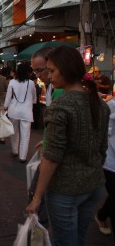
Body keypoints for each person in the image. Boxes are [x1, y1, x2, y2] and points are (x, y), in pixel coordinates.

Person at [25, 46, 110, 246]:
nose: (49, 76)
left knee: (66, 241)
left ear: (66, 69)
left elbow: (52, 156)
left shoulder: (61, 106)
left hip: (66, 189)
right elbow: (102, 148)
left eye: (52, 71)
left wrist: (37, 197)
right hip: (93, 185)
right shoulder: (100, 103)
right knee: (79, 238)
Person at [29, 46, 65, 227]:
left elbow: (60, 136)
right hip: (51, 150)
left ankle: (38, 233)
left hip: (55, 157)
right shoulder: (53, 88)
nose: (42, 76)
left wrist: (36, 197)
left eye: (43, 70)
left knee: (40, 200)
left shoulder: (61, 92)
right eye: (35, 71)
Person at [3, 63, 37, 162]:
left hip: (13, 111)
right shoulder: (31, 83)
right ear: (28, 72)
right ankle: (23, 157)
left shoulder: (12, 82)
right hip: (26, 112)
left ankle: (14, 151)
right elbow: (34, 97)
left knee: (14, 133)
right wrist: (32, 101)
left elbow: (8, 97)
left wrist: (5, 107)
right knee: (25, 135)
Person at [94, 96, 115, 238]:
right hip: (111, 161)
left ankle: (102, 214)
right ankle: (102, 216)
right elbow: (100, 128)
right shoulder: (111, 105)